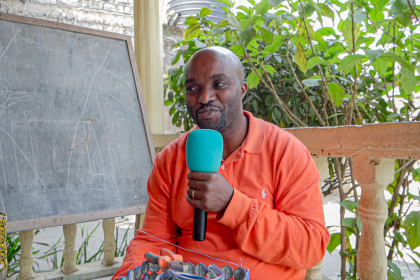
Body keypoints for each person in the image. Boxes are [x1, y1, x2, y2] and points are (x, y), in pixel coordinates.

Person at [113, 46, 330, 280]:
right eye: (192, 88)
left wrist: (232, 204)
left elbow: (310, 247)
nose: (204, 98)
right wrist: (130, 275)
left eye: (219, 84)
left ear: (242, 90)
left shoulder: (287, 152)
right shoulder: (170, 158)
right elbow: (153, 240)